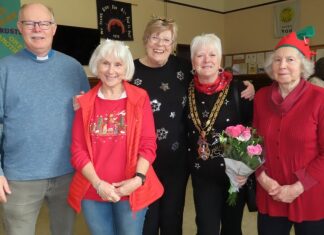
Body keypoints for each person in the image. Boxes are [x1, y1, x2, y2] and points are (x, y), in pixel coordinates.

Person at [131, 17, 255, 235]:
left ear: (173, 45)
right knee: (145, 223)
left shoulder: (183, 69)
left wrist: (248, 86)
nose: (160, 44)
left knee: (173, 220)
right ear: (145, 39)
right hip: (142, 162)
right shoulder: (129, 71)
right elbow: (109, 90)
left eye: (166, 40)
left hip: (182, 164)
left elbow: (213, 73)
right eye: (155, 38)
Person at [0, 3, 90, 235]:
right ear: (20, 27)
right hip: (19, 179)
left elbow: (86, 119)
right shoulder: (4, 69)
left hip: (67, 174)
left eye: (44, 23)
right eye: (30, 23)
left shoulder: (73, 68)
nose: (37, 28)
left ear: (54, 28)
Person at [67, 39, 164, 235]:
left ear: (126, 68)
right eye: (105, 63)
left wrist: (138, 179)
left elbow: (148, 143)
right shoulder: (84, 103)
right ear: (97, 65)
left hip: (130, 188)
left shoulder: (139, 98)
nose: (111, 70)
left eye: (118, 64)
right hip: (94, 190)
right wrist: (98, 184)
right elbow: (78, 151)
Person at [254, 26, 324, 235]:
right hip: (270, 193)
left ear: (303, 66)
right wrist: (262, 178)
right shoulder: (260, 97)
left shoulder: (319, 98)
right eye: (277, 60)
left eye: (290, 60)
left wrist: (297, 187)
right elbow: (253, 145)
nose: (282, 65)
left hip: (309, 194)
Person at [186, 33, 253, 235]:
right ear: (192, 60)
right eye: (200, 55)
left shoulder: (239, 89)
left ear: (220, 59)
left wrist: (247, 168)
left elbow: (252, 127)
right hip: (202, 174)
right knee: (206, 228)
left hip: (235, 174)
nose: (207, 60)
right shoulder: (184, 88)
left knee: (232, 229)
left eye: (212, 54)